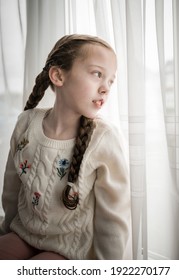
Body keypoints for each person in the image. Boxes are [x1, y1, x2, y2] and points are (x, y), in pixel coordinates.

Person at [0, 34, 132, 260]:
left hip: (69, 250)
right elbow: (12, 188)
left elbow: (114, 218)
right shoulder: (26, 123)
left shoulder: (103, 138)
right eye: (97, 74)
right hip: (23, 233)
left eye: (111, 80)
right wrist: (7, 231)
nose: (105, 88)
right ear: (59, 75)